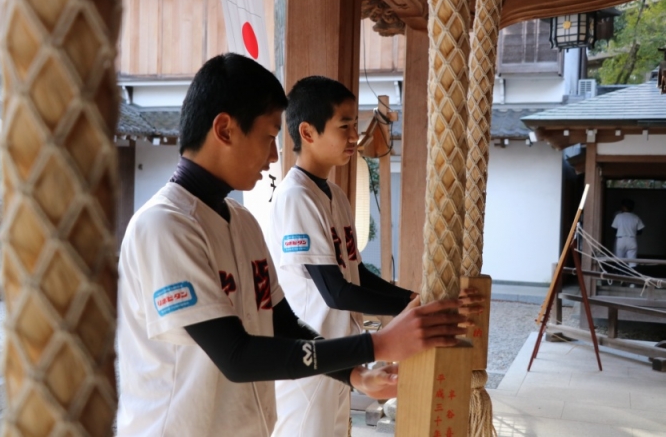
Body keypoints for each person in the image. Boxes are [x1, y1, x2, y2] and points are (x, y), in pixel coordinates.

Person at [115, 54, 481, 437]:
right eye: (268, 137)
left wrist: (355, 374)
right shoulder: (164, 226)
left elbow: (283, 322)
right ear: (224, 129)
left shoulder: (242, 222)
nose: (274, 155)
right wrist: (378, 344)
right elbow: (237, 356)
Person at [266, 76, 470, 437]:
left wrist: (414, 298)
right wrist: (412, 308)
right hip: (312, 360)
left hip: (341, 356)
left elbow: (356, 274)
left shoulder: (335, 195)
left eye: (354, 126)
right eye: (344, 126)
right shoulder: (296, 196)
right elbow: (336, 292)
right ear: (308, 132)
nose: (353, 136)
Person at [612, 198, 645, 269]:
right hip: (632, 239)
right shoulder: (635, 217)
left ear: (624, 207)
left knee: (619, 262)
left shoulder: (618, 216)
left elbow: (614, 229)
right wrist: (631, 233)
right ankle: (632, 275)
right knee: (632, 262)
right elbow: (640, 231)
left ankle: (620, 274)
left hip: (621, 239)